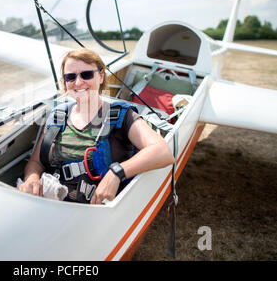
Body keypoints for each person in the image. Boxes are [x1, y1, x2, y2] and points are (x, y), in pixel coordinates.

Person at [18, 48, 175, 204]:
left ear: (100, 76)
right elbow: (36, 163)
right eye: (70, 77)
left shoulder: (121, 116)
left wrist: (116, 173)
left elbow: (162, 151)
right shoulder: (58, 117)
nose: (78, 82)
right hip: (49, 202)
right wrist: (32, 178)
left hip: (95, 212)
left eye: (86, 74)